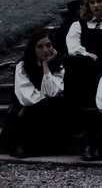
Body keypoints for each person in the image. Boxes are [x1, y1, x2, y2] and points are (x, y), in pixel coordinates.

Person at [5, 29, 67, 158]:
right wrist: (46, 96)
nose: (45, 50)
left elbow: (52, 91)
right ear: (33, 49)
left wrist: (45, 66)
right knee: (39, 107)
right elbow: (27, 98)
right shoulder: (22, 67)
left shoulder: (58, 67)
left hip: (42, 108)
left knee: (56, 104)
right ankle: (22, 144)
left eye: (48, 45)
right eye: (40, 46)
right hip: (27, 107)